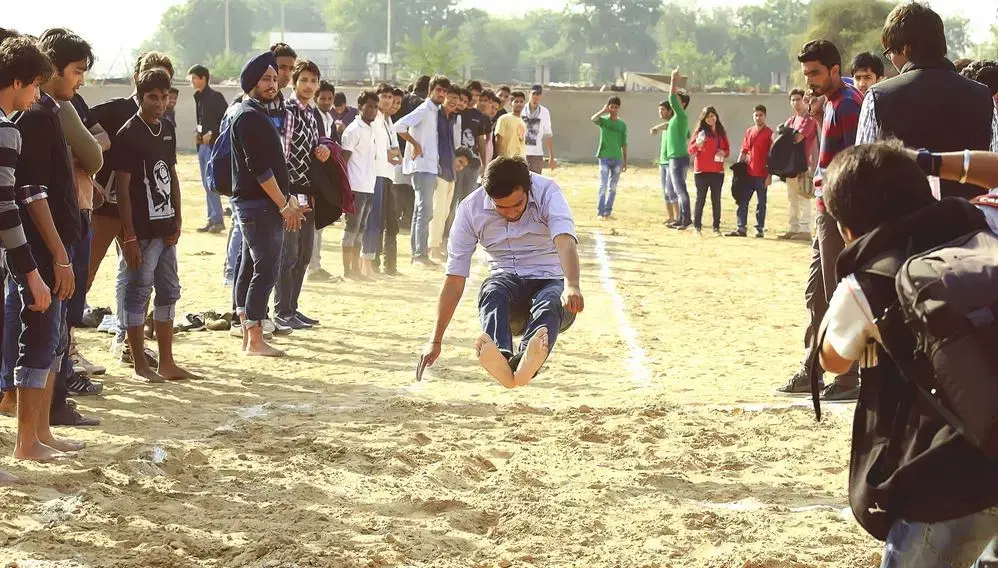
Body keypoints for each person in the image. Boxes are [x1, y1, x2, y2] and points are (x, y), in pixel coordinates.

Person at [817, 141, 998, 568]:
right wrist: (930, 161)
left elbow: (832, 360)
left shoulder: (868, 283)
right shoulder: (982, 225)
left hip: (948, 483)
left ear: (846, 228)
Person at [419, 156, 584, 388]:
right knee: (492, 289)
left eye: (517, 205)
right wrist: (435, 340)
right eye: (501, 207)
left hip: (550, 281)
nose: (511, 213)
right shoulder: (470, 209)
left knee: (550, 300)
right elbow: (455, 278)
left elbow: (565, 241)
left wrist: (572, 285)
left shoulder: (548, 192)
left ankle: (526, 361)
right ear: (488, 196)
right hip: (507, 286)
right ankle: (502, 358)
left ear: (529, 189)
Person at [9, 29, 91, 460]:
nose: (79, 82)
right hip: (41, 250)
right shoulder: (36, 117)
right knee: (39, 339)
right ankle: (27, 440)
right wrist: (58, 254)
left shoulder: (51, 111)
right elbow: (31, 192)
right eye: (76, 72)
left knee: (54, 340)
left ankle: (41, 432)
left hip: (55, 246)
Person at [776, 39, 864, 400]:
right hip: (824, 208)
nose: (809, 80)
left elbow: (857, 160)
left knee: (837, 294)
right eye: (806, 74)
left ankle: (847, 379)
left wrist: (844, 216)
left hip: (838, 210)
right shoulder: (829, 104)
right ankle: (813, 367)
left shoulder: (847, 104)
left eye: (815, 73)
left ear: (834, 70)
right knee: (817, 295)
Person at [857, 1, 998, 200]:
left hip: (901, 224)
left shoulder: (877, 97)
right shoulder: (983, 95)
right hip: (969, 223)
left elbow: (862, 174)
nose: (893, 62)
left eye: (890, 54)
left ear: (905, 48)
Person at [112, 68, 197, 383]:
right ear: (140, 93)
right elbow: (121, 189)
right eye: (153, 97)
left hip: (166, 230)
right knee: (137, 293)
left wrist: (178, 216)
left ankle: (167, 362)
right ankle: (139, 364)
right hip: (142, 233)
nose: (160, 103)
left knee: (169, 291)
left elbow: (171, 174)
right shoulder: (128, 134)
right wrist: (129, 236)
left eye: (164, 97)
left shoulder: (168, 129)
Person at [0, 34, 58, 473]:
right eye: (35, 85)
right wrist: (30, 273)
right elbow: (6, 210)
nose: (37, 95)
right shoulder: (6, 131)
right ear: (18, 80)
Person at [229, 52, 307, 358]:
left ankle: (251, 337)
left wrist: (287, 199)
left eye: (275, 79)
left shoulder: (256, 113)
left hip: (262, 204)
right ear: (251, 82)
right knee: (266, 270)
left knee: (253, 267)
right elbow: (260, 169)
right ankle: (256, 339)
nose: (272, 84)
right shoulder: (248, 115)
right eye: (265, 78)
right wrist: (283, 205)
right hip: (258, 206)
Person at [274, 59, 329, 329]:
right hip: (291, 193)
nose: (309, 86)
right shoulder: (288, 111)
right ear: (295, 81)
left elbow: (319, 148)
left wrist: (324, 150)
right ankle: (281, 311)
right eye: (304, 80)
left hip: (309, 192)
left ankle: (292, 308)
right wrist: (286, 196)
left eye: (313, 81)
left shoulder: (313, 114)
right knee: (289, 254)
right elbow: (282, 157)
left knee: (305, 254)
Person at [394, 75, 449, 267]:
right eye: (438, 90)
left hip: (431, 167)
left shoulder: (436, 112)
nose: (441, 94)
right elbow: (399, 125)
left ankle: (418, 253)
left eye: (444, 91)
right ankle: (419, 255)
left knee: (422, 210)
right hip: (422, 166)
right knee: (424, 210)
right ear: (430, 91)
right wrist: (415, 144)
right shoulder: (424, 109)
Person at [361, 84, 402, 278]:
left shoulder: (388, 121)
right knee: (373, 220)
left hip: (388, 175)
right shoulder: (374, 119)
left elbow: (393, 150)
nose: (387, 100)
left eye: (390, 97)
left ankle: (383, 265)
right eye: (384, 96)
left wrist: (395, 154)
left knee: (387, 221)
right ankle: (370, 264)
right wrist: (390, 154)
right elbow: (377, 149)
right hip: (375, 173)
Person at [340, 91, 380, 281]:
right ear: (360, 106)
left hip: (368, 187)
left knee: (361, 230)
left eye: (375, 107)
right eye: (369, 106)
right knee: (351, 229)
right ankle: (348, 271)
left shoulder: (371, 129)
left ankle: (356, 269)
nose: (372, 110)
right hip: (355, 187)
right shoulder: (353, 130)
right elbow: (343, 161)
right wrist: (344, 188)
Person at [187, 63, 228, 234]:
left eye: (194, 78)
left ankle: (218, 219)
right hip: (202, 146)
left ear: (203, 78)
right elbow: (201, 122)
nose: (192, 81)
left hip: (213, 146)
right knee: (205, 183)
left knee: (212, 182)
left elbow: (226, 120)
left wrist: (212, 133)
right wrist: (198, 132)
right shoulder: (199, 97)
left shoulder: (215, 97)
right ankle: (212, 218)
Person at [427, 84, 462, 262]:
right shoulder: (436, 116)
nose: (454, 102)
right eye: (451, 97)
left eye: (457, 99)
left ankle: (437, 245)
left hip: (451, 170)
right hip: (438, 169)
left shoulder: (452, 119)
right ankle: (431, 248)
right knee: (437, 210)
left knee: (446, 211)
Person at [778, 89, 818, 241]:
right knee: (792, 197)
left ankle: (805, 229)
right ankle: (793, 228)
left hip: (804, 163)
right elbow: (781, 136)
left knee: (803, 197)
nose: (795, 103)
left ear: (804, 100)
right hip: (790, 165)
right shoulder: (792, 120)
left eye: (798, 99)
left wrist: (786, 134)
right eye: (793, 100)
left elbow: (798, 138)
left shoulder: (808, 119)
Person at [307, 80, 337, 282]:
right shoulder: (312, 117)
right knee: (312, 226)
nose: (325, 102)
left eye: (329, 99)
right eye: (322, 98)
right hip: (312, 178)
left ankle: (316, 264)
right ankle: (311, 267)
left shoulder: (330, 120)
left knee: (320, 225)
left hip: (325, 178)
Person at [729, 105, 773, 238]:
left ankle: (759, 228)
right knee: (742, 200)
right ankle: (741, 227)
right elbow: (744, 151)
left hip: (762, 175)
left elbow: (772, 156)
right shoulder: (749, 131)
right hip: (748, 174)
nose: (758, 117)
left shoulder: (769, 134)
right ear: (753, 116)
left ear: (765, 116)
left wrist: (769, 175)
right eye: (756, 115)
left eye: (761, 115)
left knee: (761, 203)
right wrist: (737, 171)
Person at [687, 106, 729, 236]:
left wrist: (723, 152)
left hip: (717, 171)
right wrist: (698, 146)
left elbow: (727, 150)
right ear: (704, 119)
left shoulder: (721, 132)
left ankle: (716, 228)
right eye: (708, 116)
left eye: (712, 116)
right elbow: (690, 150)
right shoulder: (700, 132)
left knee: (716, 200)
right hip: (702, 171)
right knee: (701, 199)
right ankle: (697, 227)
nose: (711, 119)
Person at [590, 96, 627, 220]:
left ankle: (608, 211)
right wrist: (603, 111)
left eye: (616, 107)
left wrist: (625, 161)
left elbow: (624, 143)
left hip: (617, 158)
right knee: (603, 185)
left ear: (619, 108)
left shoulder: (622, 124)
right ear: (608, 107)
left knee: (613, 187)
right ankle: (600, 211)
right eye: (612, 107)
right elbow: (593, 119)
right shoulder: (604, 121)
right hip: (604, 157)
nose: (614, 109)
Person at [665, 68, 692, 229]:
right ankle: (681, 218)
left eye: (677, 100)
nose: (673, 102)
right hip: (677, 156)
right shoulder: (678, 119)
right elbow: (687, 134)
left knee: (680, 189)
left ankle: (686, 219)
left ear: (682, 104)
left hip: (678, 157)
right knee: (677, 188)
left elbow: (670, 96)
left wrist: (673, 80)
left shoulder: (681, 115)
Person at [650, 100, 677, 224]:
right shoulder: (666, 125)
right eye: (659, 110)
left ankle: (679, 217)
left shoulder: (674, 123)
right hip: (663, 162)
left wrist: (656, 127)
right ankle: (671, 217)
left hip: (672, 161)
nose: (660, 112)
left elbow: (668, 125)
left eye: (663, 110)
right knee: (665, 192)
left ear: (670, 111)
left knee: (671, 191)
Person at [521, 84, 555, 174]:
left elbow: (548, 134)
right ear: (529, 94)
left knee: (535, 182)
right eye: (534, 94)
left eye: (538, 95)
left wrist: (552, 156)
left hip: (536, 153)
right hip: (521, 153)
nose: (536, 97)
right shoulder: (521, 110)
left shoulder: (544, 112)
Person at [494, 91, 526, 159]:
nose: (519, 104)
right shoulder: (504, 118)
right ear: (511, 103)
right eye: (516, 101)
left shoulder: (523, 122)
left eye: (521, 101)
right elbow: (498, 138)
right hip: (506, 159)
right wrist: (500, 158)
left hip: (520, 160)